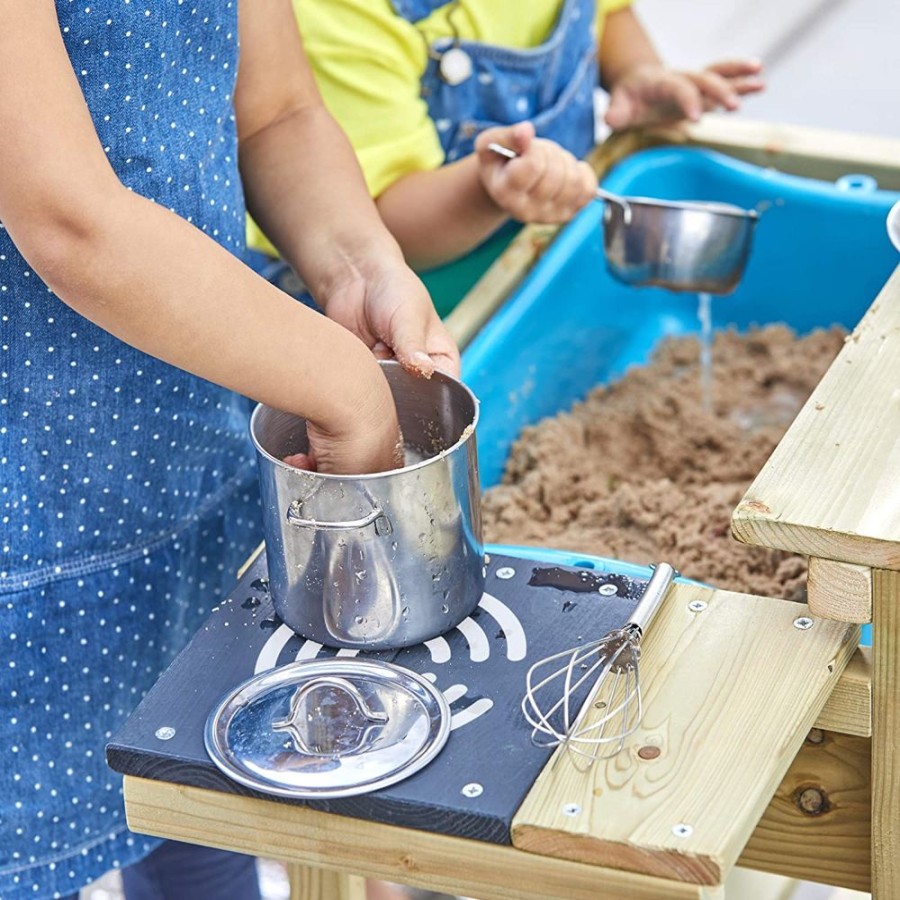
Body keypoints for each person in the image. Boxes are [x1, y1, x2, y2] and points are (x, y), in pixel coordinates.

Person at [0, 2, 457, 899]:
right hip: (27, 512)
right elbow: (68, 221)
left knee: (201, 802)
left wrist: (360, 264)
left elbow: (277, 108)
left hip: (183, 455)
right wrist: (346, 389)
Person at [246, 0, 765, 314]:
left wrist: (634, 72)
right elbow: (369, 226)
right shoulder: (335, 17)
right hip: (413, 305)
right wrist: (486, 189)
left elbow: (605, 14)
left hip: (536, 252)